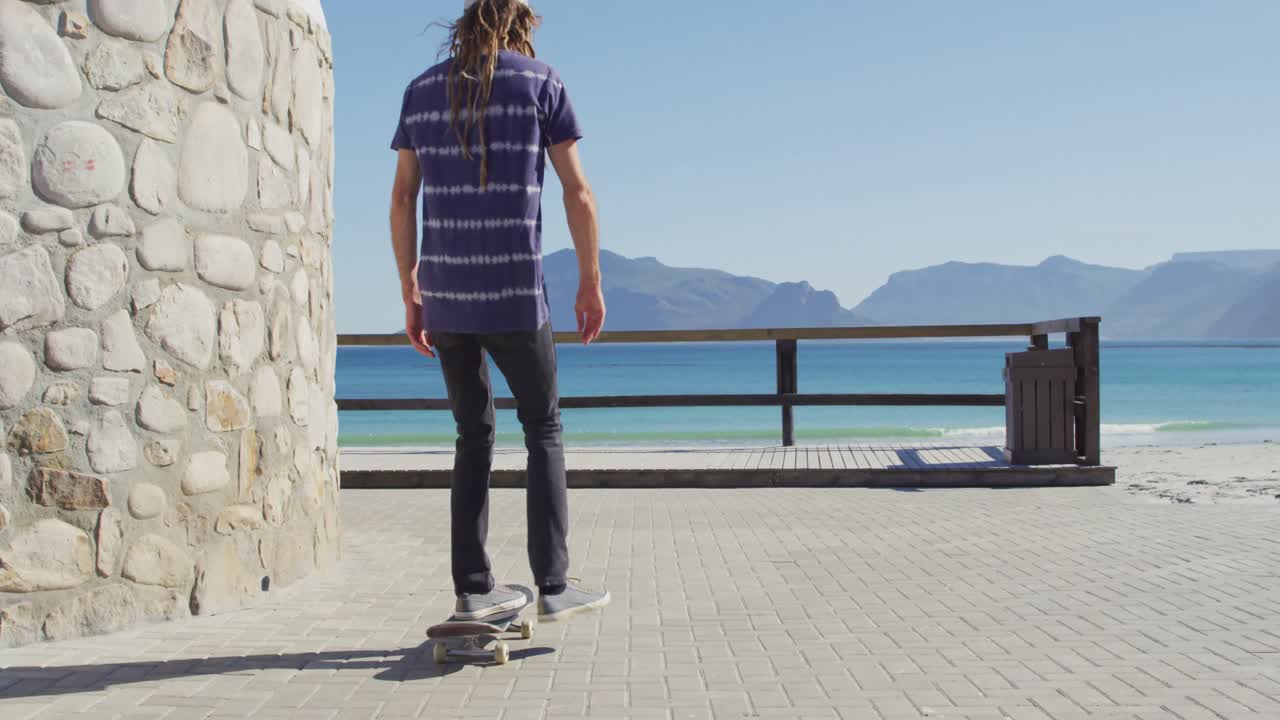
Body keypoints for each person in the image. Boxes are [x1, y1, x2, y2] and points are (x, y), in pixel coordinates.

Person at [388, 0, 609, 622]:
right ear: (519, 26)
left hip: (447, 297)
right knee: (542, 429)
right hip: (515, 292)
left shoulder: (420, 91)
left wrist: (410, 285)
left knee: (472, 437)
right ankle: (555, 588)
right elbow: (578, 191)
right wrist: (589, 281)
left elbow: (404, 196)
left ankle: (473, 588)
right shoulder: (541, 83)